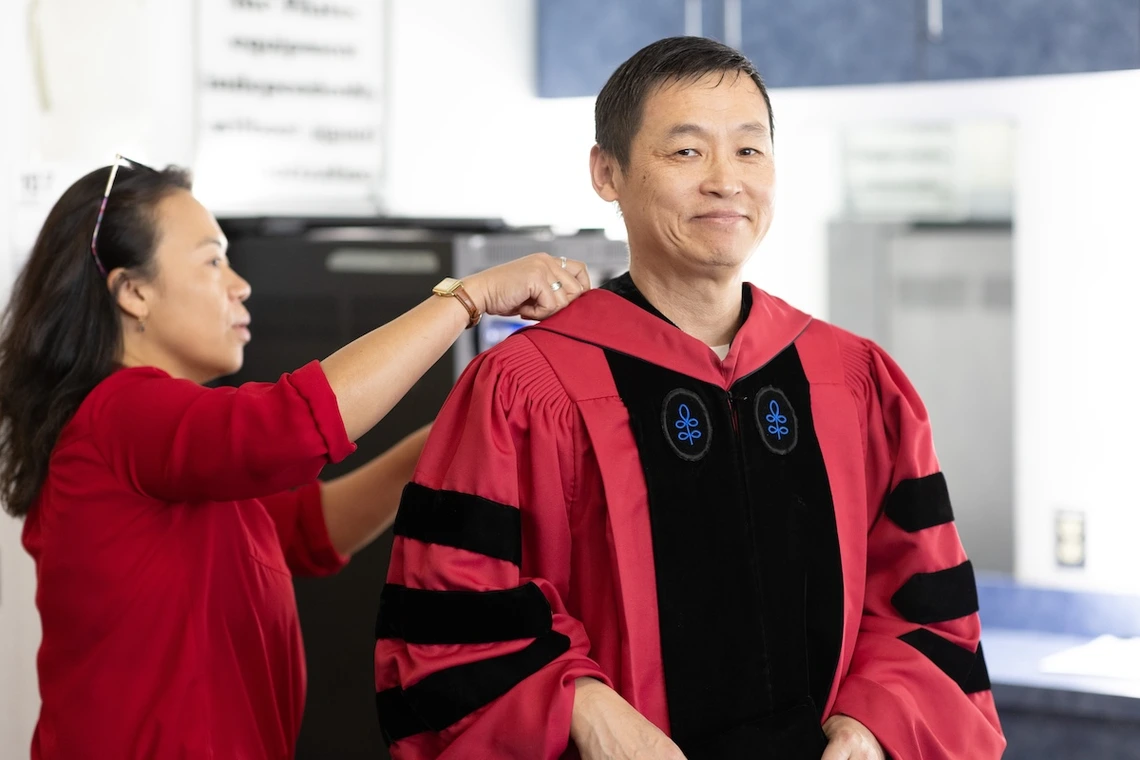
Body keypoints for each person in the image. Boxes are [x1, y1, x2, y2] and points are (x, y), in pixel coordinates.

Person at [373, 36, 1005, 760]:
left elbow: (927, 607)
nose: (725, 181)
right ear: (606, 173)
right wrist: (579, 701)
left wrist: (872, 724)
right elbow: (453, 619)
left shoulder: (854, 380)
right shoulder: (527, 388)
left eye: (749, 151)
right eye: (686, 152)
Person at [0, 157, 591, 760]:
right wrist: (468, 298)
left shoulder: (162, 446)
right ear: (134, 292)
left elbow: (307, 530)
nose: (240, 284)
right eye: (212, 261)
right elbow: (286, 428)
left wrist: (448, 435)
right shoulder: (121, 413)